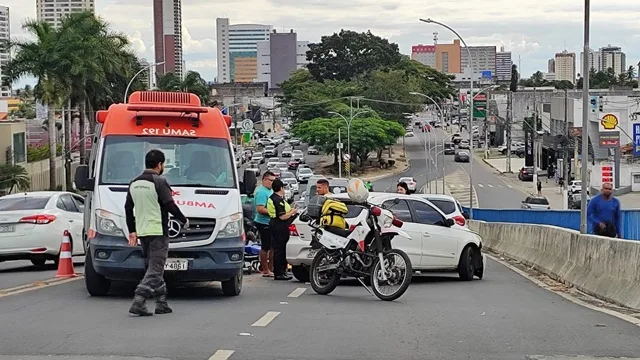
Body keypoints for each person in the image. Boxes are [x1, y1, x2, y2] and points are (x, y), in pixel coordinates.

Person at [125, 149, 188, 316]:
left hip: (143, 231)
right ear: (160, 165)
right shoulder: (159, 181)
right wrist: (183, 219)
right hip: (158, 231)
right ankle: (139, 299)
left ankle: (161, 303)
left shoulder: (134, 183)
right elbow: (169, 205)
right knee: (156, 268)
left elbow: (128, 208)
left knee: (152, 268)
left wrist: (132, 230)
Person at [267, 179, 298, 280]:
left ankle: (282, 271)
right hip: (279, 225)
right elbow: (282, 216)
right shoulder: (277, 200)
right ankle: (279, 273)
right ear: (281, 188)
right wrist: (292, 212)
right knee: (280, 249)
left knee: (280, 248)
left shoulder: (274, 198)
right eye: (283, 187)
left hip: (276, 224)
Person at [254, 171, 276, 277]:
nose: (272, 183)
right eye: (271, 180)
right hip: (263, 222)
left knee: (272, 246)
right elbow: (260, 209)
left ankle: (271, 268)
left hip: (271, 222)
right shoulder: (262, 192)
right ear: (264, 180)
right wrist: (274, 212)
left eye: (274, 180)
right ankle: (265, 269)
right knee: (265, 246)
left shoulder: (271, 191)